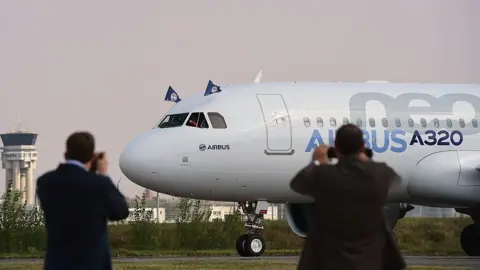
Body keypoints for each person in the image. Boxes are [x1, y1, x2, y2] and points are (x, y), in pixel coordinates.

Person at [289, 124, 406, 270]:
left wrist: (317, 161)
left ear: (336, 148)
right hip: (369, 262)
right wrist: (366, 161)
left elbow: (297, 184)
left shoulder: (323, 175)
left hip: (330, 261)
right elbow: (395, 180)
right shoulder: (380, 174)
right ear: (363, 147)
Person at [36, 131, 130, 270]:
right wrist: (103, 175)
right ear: (92, 157)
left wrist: (91, 177)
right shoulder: (98, 184)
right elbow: (120, 211)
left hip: (57, 264)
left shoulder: (45, 182)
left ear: (65, 154)